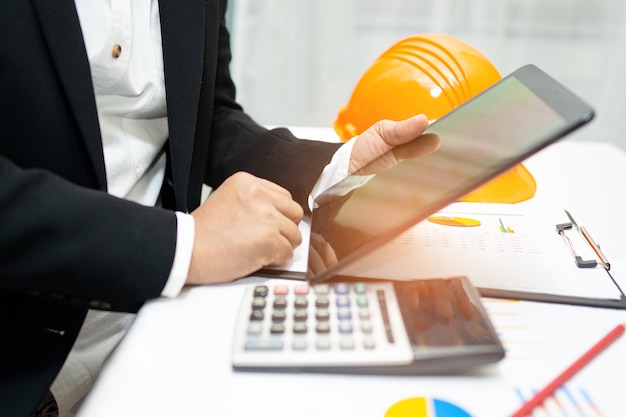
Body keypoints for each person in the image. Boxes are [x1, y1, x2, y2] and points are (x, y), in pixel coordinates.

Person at [0, 1, 434, 416]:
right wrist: (185, 244)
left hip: (166, 320)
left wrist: (332, 168)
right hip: (33, 361)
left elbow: (209, 115)